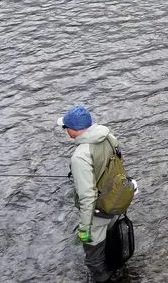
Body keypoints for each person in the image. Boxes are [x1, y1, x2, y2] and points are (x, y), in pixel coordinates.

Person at [59, 105, 121, 283]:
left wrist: (84, 229)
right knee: (110, 240)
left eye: (65, 127)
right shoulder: (110, 137)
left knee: (93, 259)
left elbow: (87, 197)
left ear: (74, 130)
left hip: (98, 211)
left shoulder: (80, 156)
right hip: (116, 202)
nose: (65, 130)